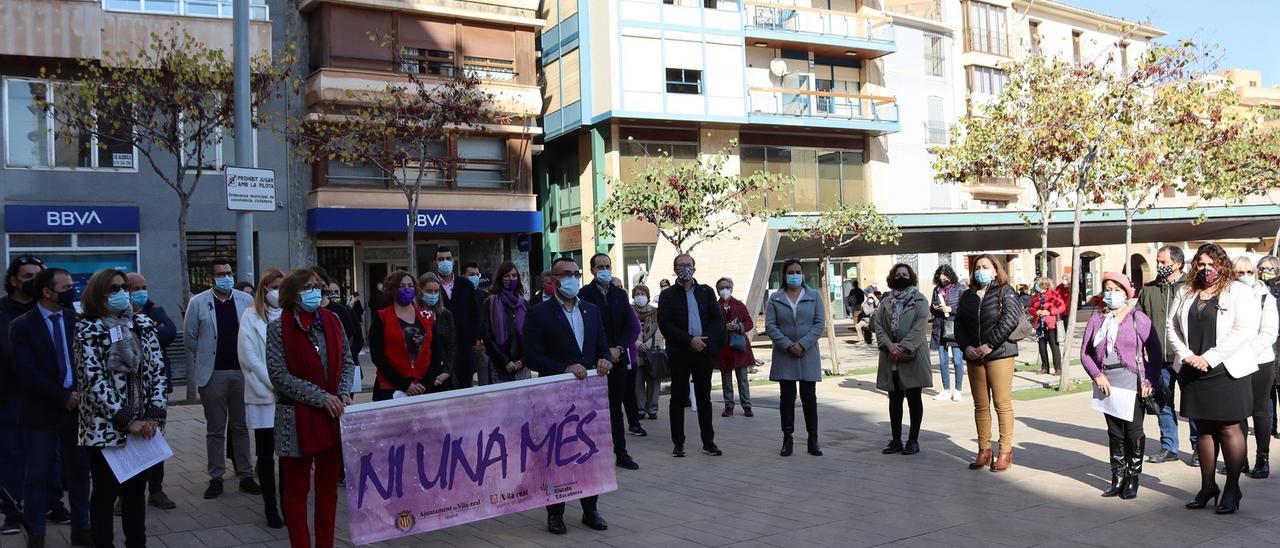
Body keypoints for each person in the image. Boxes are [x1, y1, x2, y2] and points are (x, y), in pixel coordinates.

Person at [73, 268, 167, 548]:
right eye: (114, 289)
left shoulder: (143, 324)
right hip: (107, 428)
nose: (122, 293)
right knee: (105, 493)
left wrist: (153, 414)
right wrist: (127, 420)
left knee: (136, 493)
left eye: (124, 287)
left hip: (144, 428)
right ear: (99, 293)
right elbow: (93, 381)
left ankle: (137, 543)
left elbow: (158, 371)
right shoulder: (88, 329)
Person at [522, 257, 613, 535]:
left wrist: (605, 359)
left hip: (589, 396)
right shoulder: (539, 313)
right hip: (555, 396)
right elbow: (531, 355)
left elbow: (602, 347)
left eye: (576, 273)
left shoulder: (592, 310)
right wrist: (563, 368)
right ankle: (556, 513)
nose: (572, 279)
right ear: (553, 279)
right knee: (557, 454)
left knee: (589, 452)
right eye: (566, 274)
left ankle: (590, 509)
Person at [266, 268, 356, 548]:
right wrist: (322, 397)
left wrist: (341, 393)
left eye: (318, 285)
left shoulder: (333, 320)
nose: (316, 291)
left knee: (328, 489)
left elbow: (347, 362)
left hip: (332, 415)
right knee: (296, 491)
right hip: (296, 418)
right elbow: (279, 376)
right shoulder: (278, 328)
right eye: (308, 287)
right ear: (293, 295)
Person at [1170, 243, 1261, 514]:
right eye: (1201, 264)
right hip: (1192, 369)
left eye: (1211, 264)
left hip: (1226, 369)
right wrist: (1186, 355)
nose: (1206, 269)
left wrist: (1209, 357)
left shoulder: (1238, 291)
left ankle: (1232, 488)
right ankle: (1207, 486)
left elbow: (1244, 329)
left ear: (1222, 265)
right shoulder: (1185, 291)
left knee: (1229, 428)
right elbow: (1170, 326)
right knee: (1204, 430)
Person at [10, 268, 92, 546]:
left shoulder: (76, 320)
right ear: (47, 292)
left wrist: (80, 394)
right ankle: (36, 533)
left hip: (77, 410)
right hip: (41, 411)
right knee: (37, 474)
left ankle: (82, 528)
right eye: (66, 287)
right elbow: (26, 371)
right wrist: (62, 396)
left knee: (80, 471)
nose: (73, 291)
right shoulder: (22, 326)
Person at [183, 258, 261, 499]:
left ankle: (245, 475)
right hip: (213, 374)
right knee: (216, 429)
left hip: (241, 373)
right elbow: (190, 338)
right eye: (220, 274)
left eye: (229, 273)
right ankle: (216, 477)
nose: (226, 277)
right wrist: (208, 355)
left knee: (240, 426)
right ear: (211, 278)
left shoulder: (246, 300)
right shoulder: (198, 303)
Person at [1080, 272, 1162, 499]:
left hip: (1132, 381)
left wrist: (1150, 380)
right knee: (1115, 432)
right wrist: (1097, 375)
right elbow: (1085, 354)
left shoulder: (1138, 318)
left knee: (1133, 431)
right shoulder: (1097, 320)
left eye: (1117, 290)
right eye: (1108, 289)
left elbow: (1155, 353)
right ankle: (1117, 477)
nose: (1112, 294)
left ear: (1127, 293)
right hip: (1107, 382)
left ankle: (1133, 478)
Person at [955, 254, 1021, 472]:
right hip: (974, 356)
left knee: (1002, 404)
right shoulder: (967, 296)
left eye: (985, 266)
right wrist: (967, 347)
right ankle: (984, 449)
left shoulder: (1005, 291)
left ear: (995, 270)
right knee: (980, 405)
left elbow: (1010, 319)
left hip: (1000, 353)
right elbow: (959, 325)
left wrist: (989, 345)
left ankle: (1005, 452)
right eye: (977, 267)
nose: (981, 270)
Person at [658, 254, 725, 458]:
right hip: (680, 353)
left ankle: (708, 442)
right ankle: (678, 443)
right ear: (674, 269)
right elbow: (666, 324)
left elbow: (717, 320)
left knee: (704, 398)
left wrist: (704, 341)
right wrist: (689, 340)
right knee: (678, 398)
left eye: (688, 265)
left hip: (703, 352)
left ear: (694, 268)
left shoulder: (706, 291)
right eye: (680, 265)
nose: (684, 268)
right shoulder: (667, 295)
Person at [581, 254, 647, 457]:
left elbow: (629, 326)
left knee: (616, 408)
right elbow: (586, 328)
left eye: (607, 266)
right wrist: (602, 352)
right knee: (594, 410)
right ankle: (596, 453)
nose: (604, 270)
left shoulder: (619, 294)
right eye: (600, 266)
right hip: (595, 361)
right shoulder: (584, 295)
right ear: (592, 270)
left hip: (618, 358)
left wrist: (618, 348)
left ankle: (621, 452)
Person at [125, 272, 179, 512]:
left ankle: (156, 490)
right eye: (135, 287)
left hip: (153, 390)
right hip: (127, 394)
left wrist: (146, 335)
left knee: (155, 439)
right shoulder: (116, 318)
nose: (141, 291)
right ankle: (123, 495)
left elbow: (170, 331)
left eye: (144, 286)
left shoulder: (154, 309)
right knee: (127, 444)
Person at [0, 254, 45, 536]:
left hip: (47, 396)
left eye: (38, 277)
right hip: (10, 396)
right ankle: (13, 511)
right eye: (28, 277)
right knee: (12, 454)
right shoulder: (2, 312)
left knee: (48, 456)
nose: (33, 282)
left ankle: (51, 503)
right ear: (14, 280)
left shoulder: (48, 309)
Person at [237, 268, 285, 529]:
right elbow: (248, 356)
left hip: (289, 395)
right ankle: (270, 507)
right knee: (266, 455)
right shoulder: (250, 316)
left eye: (282, 285)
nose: (277, 290)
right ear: (264, 289)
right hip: (263, 393)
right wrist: (274, 382)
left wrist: (288, 386)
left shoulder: (291, 314)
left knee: (288, 453)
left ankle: (287, 503)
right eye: (273, 286)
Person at [765, 259, 826, 457]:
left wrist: (802, 344)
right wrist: (788, 344)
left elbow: (819, 324)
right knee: (787, 400)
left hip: (807, 354)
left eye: (797, 271)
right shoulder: (776, 298)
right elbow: (771, 326)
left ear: (803, 274)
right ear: (784, 275)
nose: (794, 275)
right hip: (785, 354)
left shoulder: (814, 296)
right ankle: (787, 438)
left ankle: (813, 438)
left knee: (809, 398)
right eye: (790, 272)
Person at [1138, 245, 1191, 465]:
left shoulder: (1191, 287)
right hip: (1159, 359)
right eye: (1158, 262)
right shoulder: (1149, 290)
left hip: (1186, 357)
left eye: (1163, 263)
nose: (1159, 266)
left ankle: (1198, 448)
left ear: (1177, 264)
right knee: (1163, 404)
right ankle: (1169, 447)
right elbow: (1138, 324)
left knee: (1192, 406)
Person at [874, 264, 932, 456]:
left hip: (912, 356)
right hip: (890, 357)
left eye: (904, 274)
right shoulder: (885, 302)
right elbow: (878, 325)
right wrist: (889, 345)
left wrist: (903, 346)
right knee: (894, 399)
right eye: (897, 274)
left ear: (911, 277)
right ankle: (896, 440)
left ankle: (913, 440)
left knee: (914, 399)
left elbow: (920, 327)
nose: (901, 277)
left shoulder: (920, 300)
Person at [369, 271, 451, 401]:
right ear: (392, 289)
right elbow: (378, 357)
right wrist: (405, 385)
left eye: (410, 285)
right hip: (391, 388)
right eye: (401, 286)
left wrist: (425, 383)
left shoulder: (427, 317)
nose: (406, 289)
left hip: (423, 387)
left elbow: (436, 353)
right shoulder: (382, 317)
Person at [1236, 256, 1278, 479]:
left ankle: (1262, 457)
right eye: (1239, 273)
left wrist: (1244, 352)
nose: (1244, 277)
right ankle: (1238, 458)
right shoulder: (1227, 296)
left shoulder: (1265, 298)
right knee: (1238, 412)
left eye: (1248, 272)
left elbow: (1269, 332)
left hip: (1260, 360)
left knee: (1259, 411)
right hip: (1233, 362)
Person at [434, 247, 479, 388]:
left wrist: (472, 339)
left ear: (453, 261)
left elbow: (474, 314)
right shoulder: (431, 287)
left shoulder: (466, 285)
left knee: (465, 393)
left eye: (448, 258)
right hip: (440, 350)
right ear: (435, 262)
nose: (444, 262)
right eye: (441, 259)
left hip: (464, 350)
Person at [481, 262, 531, 384]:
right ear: (500, 278)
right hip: (499, 365)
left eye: (514, 276)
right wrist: (504, 361)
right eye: (507, 276)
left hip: (522, 366)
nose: (511, 279)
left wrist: (523, 361)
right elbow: (487, 336)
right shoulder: (490, 303)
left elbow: (532, 335)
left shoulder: (524, 304)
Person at [715, 277, 755, 417]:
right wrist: (723, 327)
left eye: (727, 287)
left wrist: (738, 326)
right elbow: (709, 326)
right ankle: (729, 405)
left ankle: (747, 405)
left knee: (742, 379)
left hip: (739, 348)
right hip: (724, 347)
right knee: (726, 379)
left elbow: (749, 323)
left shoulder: (739, 305)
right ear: (717, 290)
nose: (724, 290)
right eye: (721, 288)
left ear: (731, 289)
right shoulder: (715, 306)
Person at [417, 273, 459, 392]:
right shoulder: (413, 315)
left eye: (436, 291)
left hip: (443, 375)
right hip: (421, 376)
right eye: (429, 291)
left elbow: (452, 346)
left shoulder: (445, 315)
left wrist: (447, 371)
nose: (433, 294)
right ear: (420, 291)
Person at [930, 265, 964, 402]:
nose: (942, 278)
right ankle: (945, 389)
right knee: (943, 361)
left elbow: (965, 308)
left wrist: (951, 308)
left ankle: (958, 389)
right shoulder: (936, 290)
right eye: (940, 275)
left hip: (954, 328)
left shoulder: (960, 289)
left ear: (951, 276)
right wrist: (934, 307)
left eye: (945, 275)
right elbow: (932, 309)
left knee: (957, 360)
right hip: (940, 328)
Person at [632, 284, 663, 420]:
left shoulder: (656, 312)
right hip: (636, 352)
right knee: (637, 382)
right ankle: (640, 409)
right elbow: (629, 330)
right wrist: (638, 344)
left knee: (654, 380)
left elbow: (660, 332)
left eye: (643, 294)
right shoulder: (629, 311)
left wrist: (648, 344)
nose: (640, 296)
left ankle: (652, 409)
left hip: (653, 351)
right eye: (637, 294)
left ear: (648, 296)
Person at [1029, 276, 1068, 375]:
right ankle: (1045, 367)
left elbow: (1062, 307)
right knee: (1042, 347)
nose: (1037, 286)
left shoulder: (1054, 294)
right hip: (1040, 325)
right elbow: (1030, 309)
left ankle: (1058, 368)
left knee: (1054, 346)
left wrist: (1049, 312)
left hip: (1051, 324)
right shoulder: (1035, 297)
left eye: (1038, 284)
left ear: (1044, 285)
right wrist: (1037, 311)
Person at [1259, 256, 1280, 441]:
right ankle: (1270, 425)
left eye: (1268, 268)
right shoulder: (1259, 290)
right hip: (1266, 347)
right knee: (1268, 391)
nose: (1264, 271)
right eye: (1262, 268)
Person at [464, 263, 493, 386]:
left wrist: (482, 341)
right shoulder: (457, 296)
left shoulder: (485, 296)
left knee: (485, 383)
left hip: (482, 346)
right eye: (471, 275)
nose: (475, 277)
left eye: (477, 274)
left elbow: (488, 321)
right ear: (463, 276)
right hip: (464, 347)